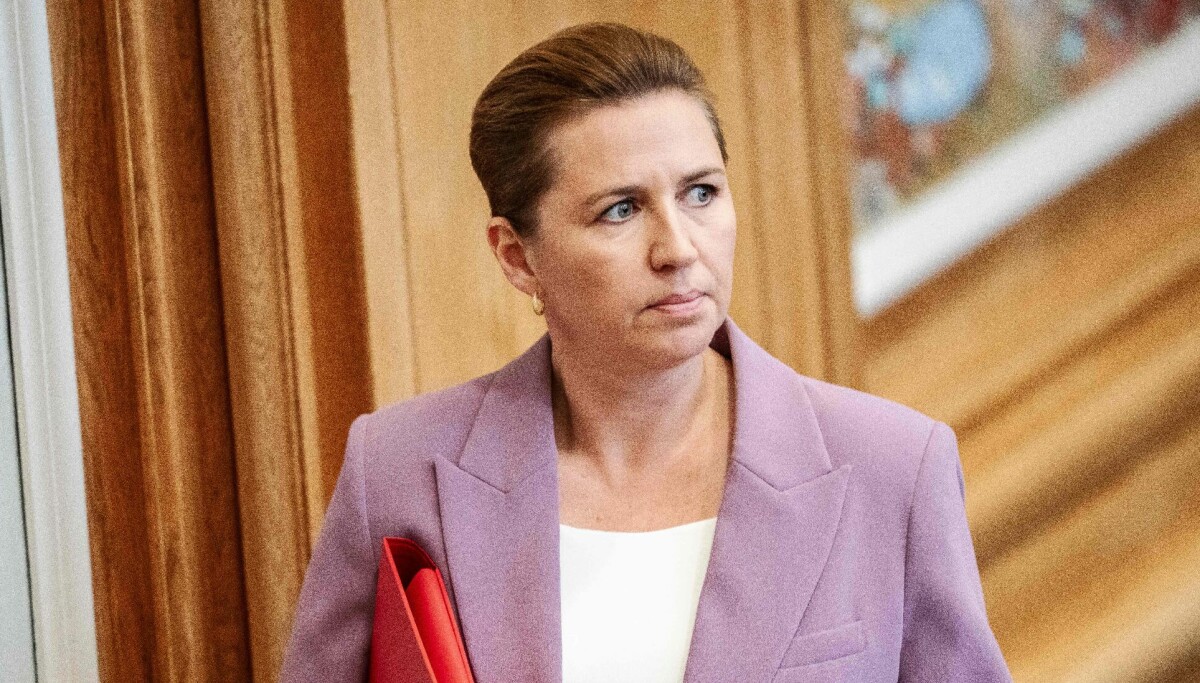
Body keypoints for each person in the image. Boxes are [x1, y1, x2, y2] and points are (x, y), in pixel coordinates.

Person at [280, 21, 1011, 682]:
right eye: (621, 210)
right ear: (517, 257)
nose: (678, 248)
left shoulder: (894, 469)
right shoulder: (396, 470)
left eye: (701, 193)